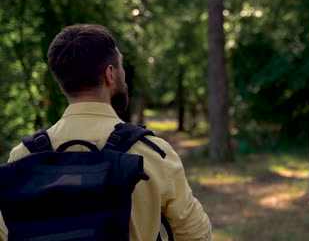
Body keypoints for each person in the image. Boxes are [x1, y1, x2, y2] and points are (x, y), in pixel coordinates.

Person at [0, 24, 212, 241]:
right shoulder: (150, 154)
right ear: (110, 73)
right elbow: (196, 235)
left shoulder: (23, 158)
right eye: (120, 66)